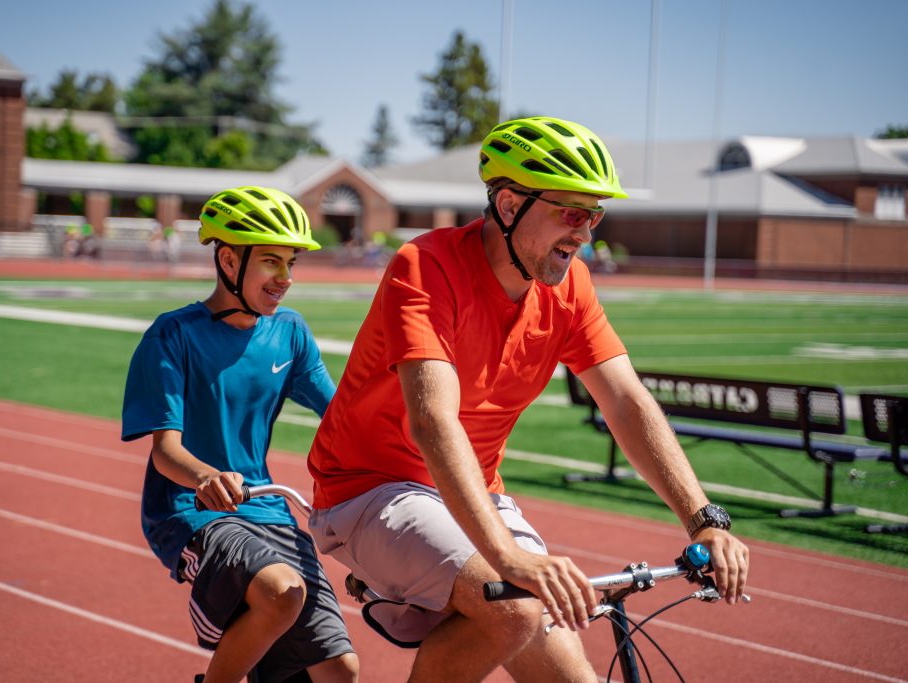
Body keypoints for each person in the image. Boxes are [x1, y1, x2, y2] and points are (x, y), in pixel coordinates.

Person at [306, 116, 750, 682]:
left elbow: (626, 402)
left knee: (574, 677)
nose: (585, 233)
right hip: (369, 489)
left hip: (473, 496)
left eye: (595, 215)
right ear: (510, 204)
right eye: (571, 213)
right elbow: (434, 421)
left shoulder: (571, 286)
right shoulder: (425, 266)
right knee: (515, 604)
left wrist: (703, 517)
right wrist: (508, 558)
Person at [122, 186, 359, 683]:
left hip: (266, 506)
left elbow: (344, 420)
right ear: (228, 259)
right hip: (193, 510)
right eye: (271, 261)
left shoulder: (290, 333)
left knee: (340, 671)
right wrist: (208, 478)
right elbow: (166, 453)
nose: (286, 278)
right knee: (282, 593)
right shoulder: (172, 336)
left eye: (291, 263)